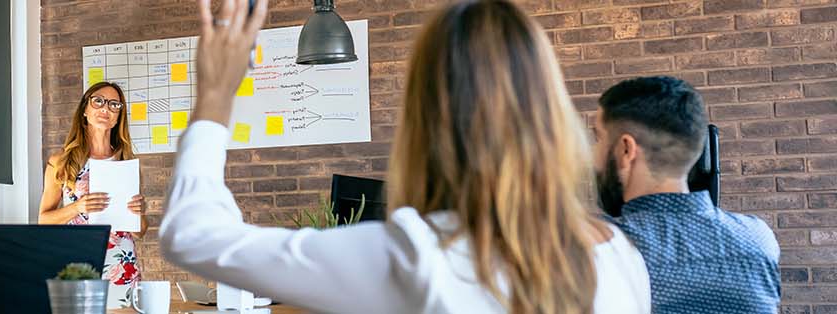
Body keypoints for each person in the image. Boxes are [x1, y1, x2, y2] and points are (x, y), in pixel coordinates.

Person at [159, 0, 651, 313]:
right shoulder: (618, 256)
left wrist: (216, 96)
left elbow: (193, 237)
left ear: (426, 118)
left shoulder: (413, 256)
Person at [595, 76, 781, 313]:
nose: (594, 152)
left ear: (626, 149)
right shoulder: (759, 238)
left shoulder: (597, 243)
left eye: (598, 138)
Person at [38, 81, 150, 308]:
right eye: (98, 101)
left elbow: (140, 232)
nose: (105, 109)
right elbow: (44, 219)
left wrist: (139, 213)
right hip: (75, 262)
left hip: (120, 261)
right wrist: (77, 208)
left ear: (119, 116)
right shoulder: (61, 162)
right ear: (85, 111)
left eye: (114, 105)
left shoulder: (126, 164)